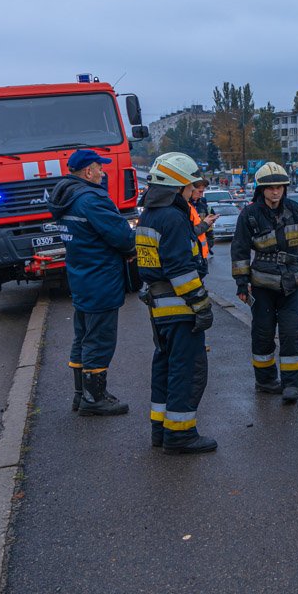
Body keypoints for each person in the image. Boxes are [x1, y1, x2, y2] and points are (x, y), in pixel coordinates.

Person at [136, 152, 217, 455]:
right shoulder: (173, 217)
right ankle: (181, 434)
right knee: (187, 370)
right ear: (179, 186)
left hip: (159, 306)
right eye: (190, 186)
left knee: (165, 366)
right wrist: (202, 305)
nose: (193, 191)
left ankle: (161, 428)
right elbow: (181, 270)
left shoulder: (150, 214)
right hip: (180, 307)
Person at [48, 149, 136, 416]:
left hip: (81, 275)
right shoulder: (93, 200)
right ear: (88, 172)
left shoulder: (65, 197)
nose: (103, 172)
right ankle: (94, 399)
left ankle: (81, 394)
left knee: (83, 337)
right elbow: (122, 236)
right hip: (102, 278)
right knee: (100, 339)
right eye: (100, 168)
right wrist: (132, 248)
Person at [231, 162, 298, 403]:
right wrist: (241, 283)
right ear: (261, 189)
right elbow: (240, 249)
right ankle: (265, 381)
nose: (276, 192)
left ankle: (291, 385)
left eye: (280, 187)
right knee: (263, 334)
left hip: (291, 283)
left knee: (291, 335)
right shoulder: (250, 214)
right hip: (262, 285)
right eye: (270, 188)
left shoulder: (294, 209)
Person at [189, 178, 215, 261]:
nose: (201, 195)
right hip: (189, 253)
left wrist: (210, 241)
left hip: (201, 254)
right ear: (190, 189)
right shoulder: (184, 207)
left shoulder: (202, 206)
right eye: (199, 192)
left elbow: (208, 228)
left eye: (202, 192)